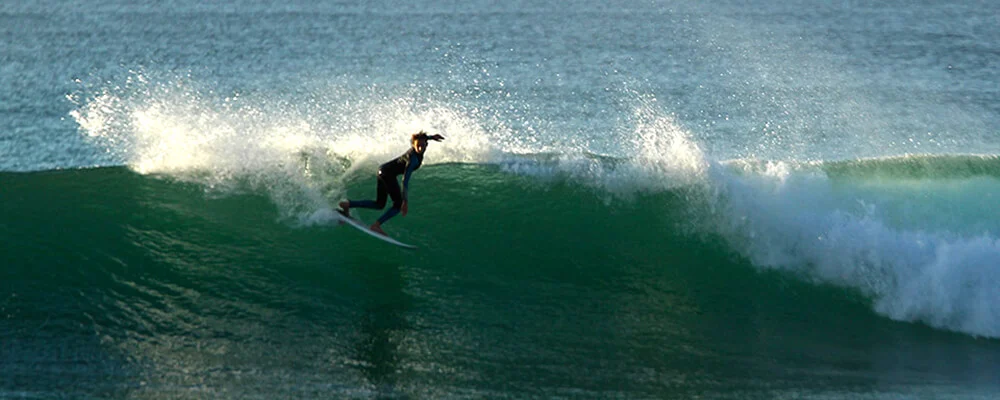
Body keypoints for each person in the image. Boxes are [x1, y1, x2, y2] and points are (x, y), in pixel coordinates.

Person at [338, 131, 445, 235]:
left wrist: (431, 137)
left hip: (382, 170)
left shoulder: (420, 146)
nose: (420, 148)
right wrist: (405, 202)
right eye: (418, 146)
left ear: (427, 144)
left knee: (379, 204)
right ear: (413, 144)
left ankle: (348, 204)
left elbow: (422, 139)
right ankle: (376, 225)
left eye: (423, 145)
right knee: (398, 205)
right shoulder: (413, 159)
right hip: (387, 175)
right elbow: (405, 180)